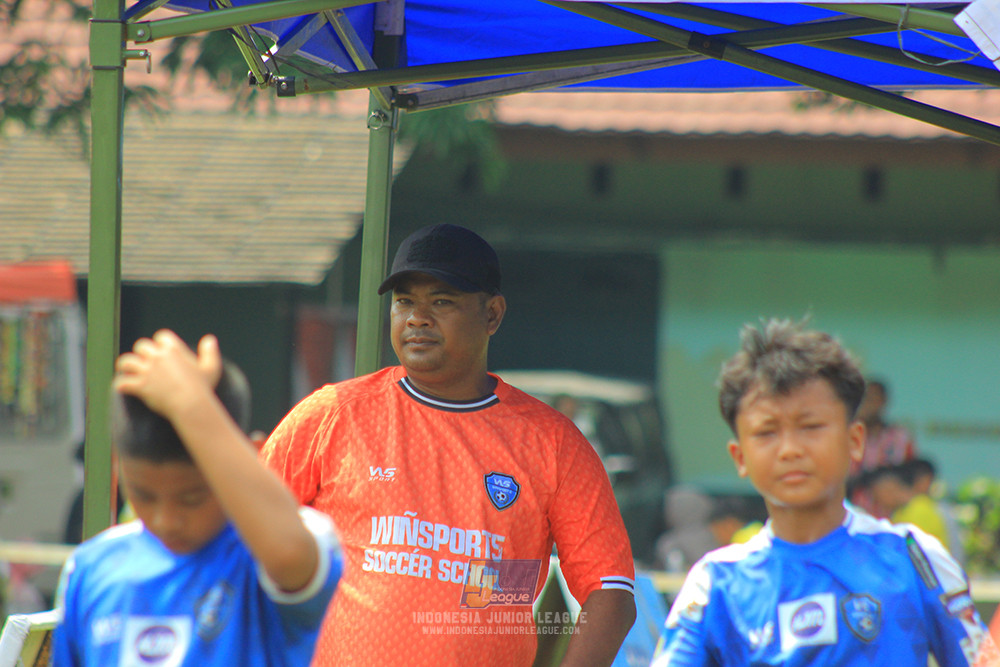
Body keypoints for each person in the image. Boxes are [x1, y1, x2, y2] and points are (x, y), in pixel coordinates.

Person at [261, 223, 636, 666]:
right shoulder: (331, 415)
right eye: (404, 302)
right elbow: (242, 538)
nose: (418, 318)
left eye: (442, 301)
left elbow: (610, 591)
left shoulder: (552, 443)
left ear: (492, 314)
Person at [652, 319, 995, 666]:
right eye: (767, 432)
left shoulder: (914, 558)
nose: (789, 449)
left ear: (855, 441)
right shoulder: (716, 584)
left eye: (810, 426)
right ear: (740, 457)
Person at [51, 331, 343, 666]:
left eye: (192, 498)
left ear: (249, 457)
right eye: (143, 495)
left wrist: (190, 402)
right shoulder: (92, 567)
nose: (166, 519)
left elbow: (290, 552)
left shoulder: (268, 556)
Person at [849, 378, 918, 516]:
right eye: (862, 400)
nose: (866, 405)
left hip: (893, 517)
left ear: (884, 401)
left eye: (871, 399)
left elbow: (912, 478)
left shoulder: (900, 438)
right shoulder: (847, 437)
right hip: (854, 515)